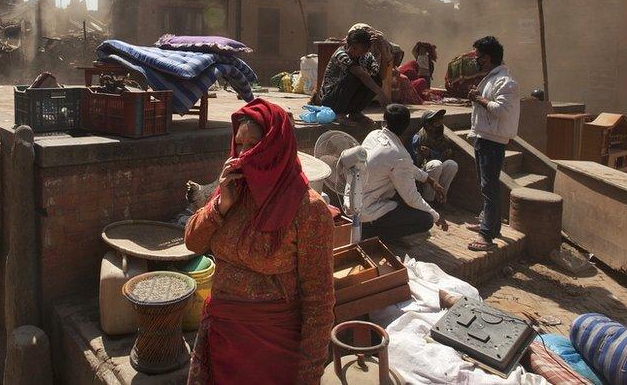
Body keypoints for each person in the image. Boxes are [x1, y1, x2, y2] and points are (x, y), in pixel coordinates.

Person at [185, 99, 335, 384]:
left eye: (251, 145)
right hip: (222, 338)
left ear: (275, 148)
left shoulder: (308, 209)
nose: (241, 155)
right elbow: (193, 242)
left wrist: (309, 374)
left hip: (272, 350)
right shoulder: (232, 187)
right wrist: (221, 206)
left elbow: (319, 299)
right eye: (238, 145)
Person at [354, 104, 449, 245]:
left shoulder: (373, 135)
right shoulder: (398, 154)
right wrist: (436, 216)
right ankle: (373, 236)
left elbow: (405, 166)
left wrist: (429, 180)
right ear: (406, 126)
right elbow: (411, 197)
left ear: (385, 120)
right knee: (426, 219)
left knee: (402, 193)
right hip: (366, 210)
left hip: (353, 200)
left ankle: (381, 230)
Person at [466, 36, 520, 251]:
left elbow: (501, 110)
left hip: (493, 141)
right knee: (485, 185)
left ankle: (487, 236)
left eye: (478, 57)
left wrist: (478, 98)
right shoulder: (491, 78)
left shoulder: (506, 82)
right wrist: (478, 97)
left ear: (487, 58)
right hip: (483, 136)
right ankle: (488, 223)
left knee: (490, 187)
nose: (476, 61)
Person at [318, 27, 391, 123]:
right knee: (353, 77)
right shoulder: (341, 54)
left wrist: (382, 50)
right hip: (330, 100)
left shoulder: (366, 57)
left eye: (357, 49)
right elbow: (359, 73)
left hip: (347, 98)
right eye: (352, 47)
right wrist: (381, 93)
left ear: (365, 50)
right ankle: (339, 113)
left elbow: (381, 76)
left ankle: (355, 113)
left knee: (376, 80)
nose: (351, 50)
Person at [410, 109, 458, 202]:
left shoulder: (443, 139)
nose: (439, 122)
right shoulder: (419, 138)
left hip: (437, 174)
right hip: (422, 175)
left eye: (440, 119)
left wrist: (442, 154)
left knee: (452, 164)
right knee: (436, 164)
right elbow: (415, 163)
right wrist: (426, 155)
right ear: (427, 123)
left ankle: (441, 198)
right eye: (435, 120)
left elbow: (444, 156)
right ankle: (428, 200)